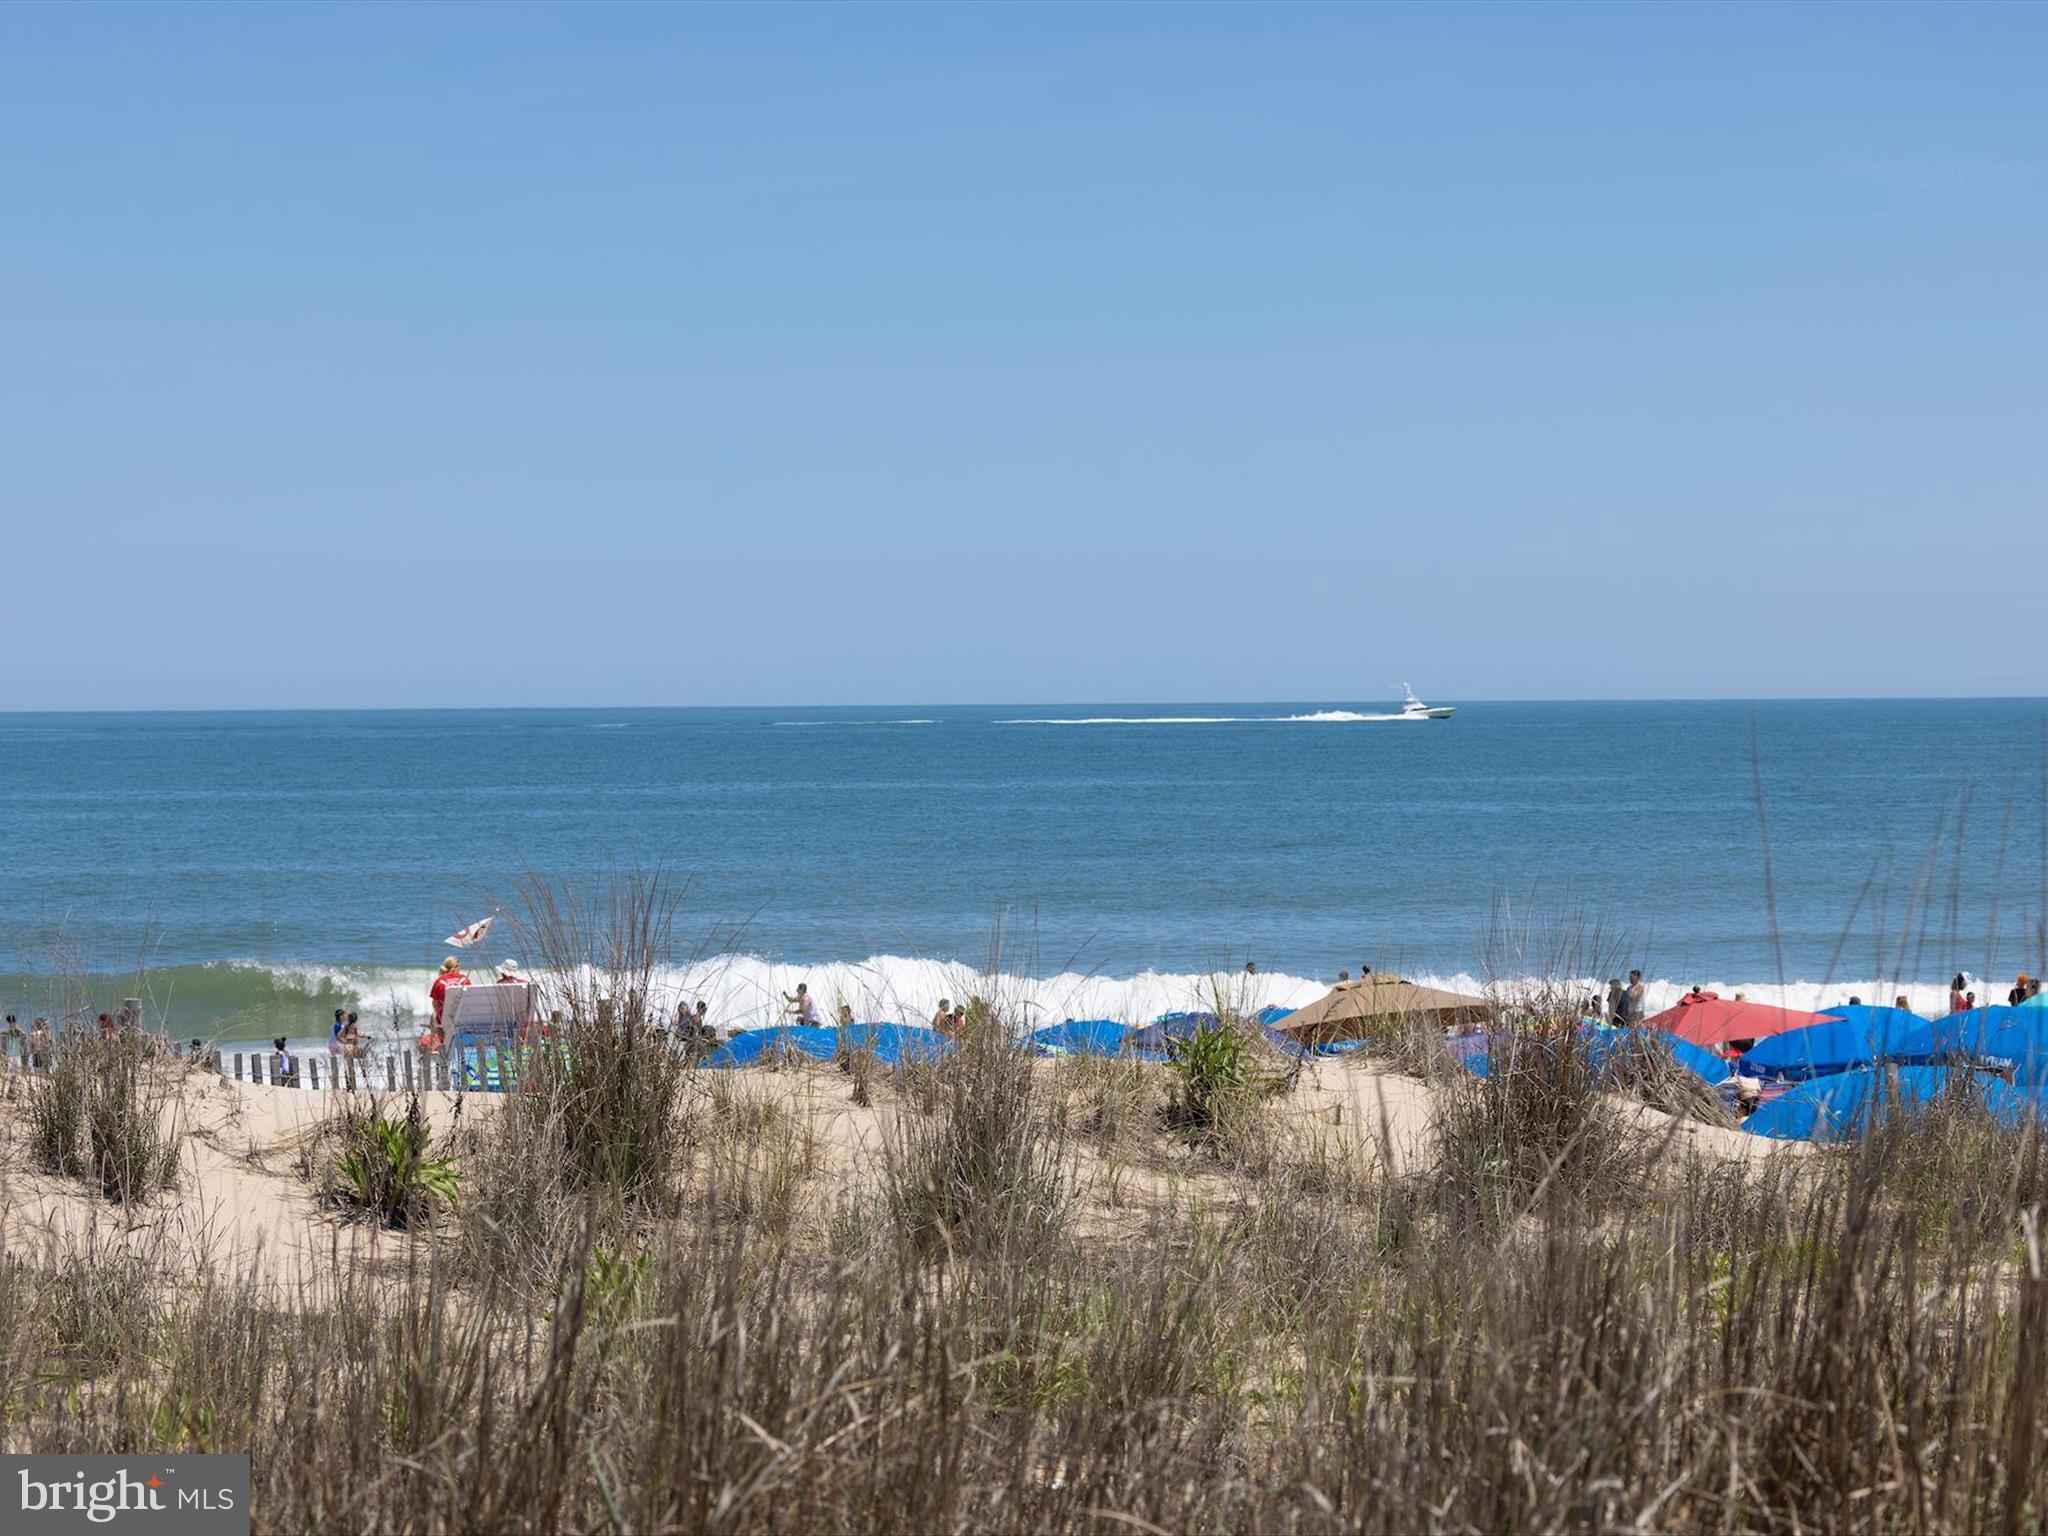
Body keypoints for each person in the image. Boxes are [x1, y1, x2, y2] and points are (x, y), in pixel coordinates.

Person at [430, 956, 470, 1025]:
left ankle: (435, 1034)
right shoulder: (465, 979)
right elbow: (470, 998)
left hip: (445, 1019)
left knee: (433, 1016)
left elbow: (434, 1003)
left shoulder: (439, 981)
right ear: (456, 967)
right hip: (463, 1018)